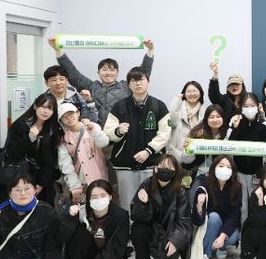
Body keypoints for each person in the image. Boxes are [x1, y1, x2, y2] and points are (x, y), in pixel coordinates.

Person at [103, 66, 171, 211]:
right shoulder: (119, 106)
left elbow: (165, 134)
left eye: (141, 79)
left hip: (151, 164)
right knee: (127, 205)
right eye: (133, 80)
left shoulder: (158, 106)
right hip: (125, 165)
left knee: (152, 205)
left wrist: (148, 151)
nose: (138, 83)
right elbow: (107, 132)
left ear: (148, 81)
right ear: (128, 84)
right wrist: (118, 131)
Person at [48, 37, 155, 126]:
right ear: (98, 73)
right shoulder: (91, 86)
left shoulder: (126, 86)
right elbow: (72, 73)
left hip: (121, 134)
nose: (108, 73)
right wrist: (58, 50)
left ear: (117, 73)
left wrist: (150, 50)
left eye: (112, 70)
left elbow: (143, 73)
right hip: (96, 134)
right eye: (104, 70)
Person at [58, 179, 129, 259]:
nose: (99, 200)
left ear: (110, 197)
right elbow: (63, 236)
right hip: (88, 251)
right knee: (79, 233)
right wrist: (70, 217)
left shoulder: (120, 216)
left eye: (103, 196)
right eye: (94, 197)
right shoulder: (82, 210)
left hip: (108, 255)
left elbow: (116, 248)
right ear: (89, 199)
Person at [130, 154, 191, 259]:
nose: (165, 169)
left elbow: (184, 221)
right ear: (156, 168)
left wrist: (175, 240)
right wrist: (144, 204)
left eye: (170, 167)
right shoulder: (146, 185)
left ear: (175, 171)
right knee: (137, 229)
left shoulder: (180, 191)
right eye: (162, 166)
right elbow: (135, 215)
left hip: (170, 232)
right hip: (152, 230)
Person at [0, 94, 61, 205]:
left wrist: (41, 183)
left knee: (42, 211)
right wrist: (30, 138)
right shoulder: (20, 126)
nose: (46, 111)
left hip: (42, 181)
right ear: (35, 106)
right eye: (43, 107)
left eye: (50, 108)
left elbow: (50, 160)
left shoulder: (53, 129)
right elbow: (11, 153)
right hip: (20, 178)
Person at [192, 155, 243, 259]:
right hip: (209, 226)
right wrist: (199, 206)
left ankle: (221, 246)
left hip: (227, 226)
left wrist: (222, 236)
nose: (225, 169)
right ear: (214, 167)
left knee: (234, 236)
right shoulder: (204, 186)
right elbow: (197, 220)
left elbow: (235, 215)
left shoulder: (236, 187)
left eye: (228, 167)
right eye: (221, 166)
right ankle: (205, 256)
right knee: (214, 217)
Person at [57, 103, 109, 204]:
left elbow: (104, 142)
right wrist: (75, 186)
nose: (68, 118)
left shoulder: (92, 127)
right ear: (61, 121)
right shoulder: (63, 138)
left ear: (78, 113)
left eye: (71, 113)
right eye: (64, 116)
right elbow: (66, 164)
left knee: (101, 205)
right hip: (80, 181)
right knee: (83, 208)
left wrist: (93, 130)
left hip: (98, 177)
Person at [181, 104, 231, 207]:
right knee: (194, 204)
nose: (215, 120)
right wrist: (188, 150)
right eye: (211, 117)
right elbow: (186, 160)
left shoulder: (229, 133)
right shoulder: (197, 133)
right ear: (206, 119)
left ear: (223, 118)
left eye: (218, 116)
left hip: (221, 177)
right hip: (199, 175)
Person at [229, 92, 266, 224]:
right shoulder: (236, 123)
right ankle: (242, 233)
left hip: (256, 175)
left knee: (255, 204)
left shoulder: (263, 126)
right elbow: (228, 146)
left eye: (252, 105)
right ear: (241, 108)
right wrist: (235, 128)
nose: (249, 108)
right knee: (242, 207)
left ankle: (255, 231)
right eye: (246, 106)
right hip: (239, 173)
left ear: (258, 107)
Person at [166, 81, 206, 162]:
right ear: (184, 94)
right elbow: (171, 122)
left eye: (194, 91)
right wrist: (176, 101)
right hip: (174, 156)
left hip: (193, 157)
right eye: (189, 91)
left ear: (200, 93)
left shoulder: (205, 112)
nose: (192, 94)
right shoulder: (178, 108)